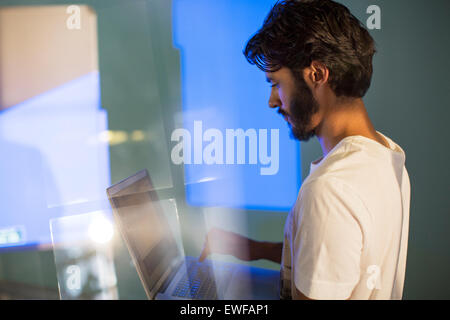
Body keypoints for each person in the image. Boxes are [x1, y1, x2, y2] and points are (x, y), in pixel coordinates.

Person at [198, 0, 410, 300]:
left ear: (317, 74)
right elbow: (340, 258)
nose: (273, 101)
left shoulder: (329, 189)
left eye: (276, 83)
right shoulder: (388, 155)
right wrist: (255, 249)